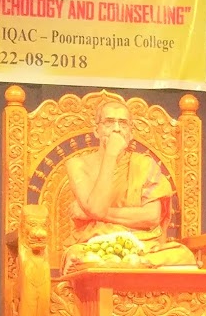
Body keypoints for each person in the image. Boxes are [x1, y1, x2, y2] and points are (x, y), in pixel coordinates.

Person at [61, 99, 196, 267]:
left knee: (183, 255)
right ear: (96, 130)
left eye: (123, 123)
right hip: (94, 244)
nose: (117, 129)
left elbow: (151, 216)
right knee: (83, 259)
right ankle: (132, 265)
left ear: (130, 133)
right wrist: (111, 155)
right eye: (109, 122)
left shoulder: (144, 164)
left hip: (141, 244)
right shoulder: (78, 164)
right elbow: (97, 208)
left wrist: (92, 214)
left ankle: (131, 263)